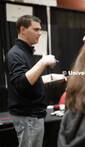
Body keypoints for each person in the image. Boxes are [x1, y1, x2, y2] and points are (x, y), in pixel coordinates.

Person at [5, 15, 56, 147]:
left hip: (32, 117)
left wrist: (52, 78)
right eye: (36, 29)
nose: (40, 33)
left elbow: (30, 79)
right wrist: (43, 62)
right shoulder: (16, 54)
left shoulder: (25, 52)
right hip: (28, 116)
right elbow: (21, 84)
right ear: (22, 29)